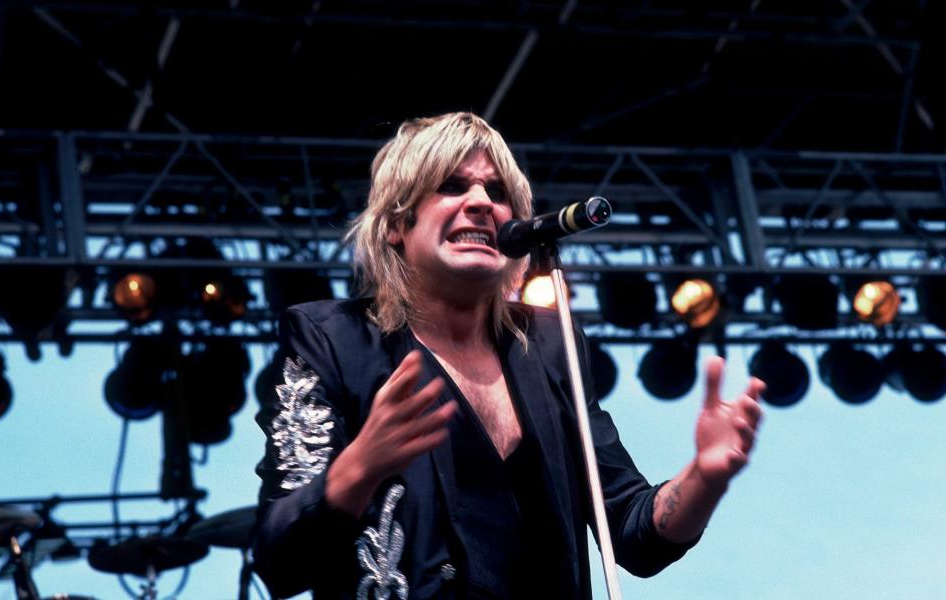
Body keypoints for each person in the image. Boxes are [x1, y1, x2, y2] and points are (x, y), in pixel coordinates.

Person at [252, 112, 764, 599]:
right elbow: (279, 556)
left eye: (497, 192)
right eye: (452, 186)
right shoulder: (332, 340)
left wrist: (705, 476)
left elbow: (631, 531)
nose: (481, 203)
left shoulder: (549, 345)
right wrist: (360, 465)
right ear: (396, 223)